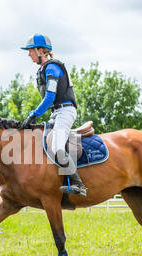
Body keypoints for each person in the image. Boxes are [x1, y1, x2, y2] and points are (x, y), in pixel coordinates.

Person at [20, 33, 87, 197]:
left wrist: (33, 115)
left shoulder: (52, 67)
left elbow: (50, 97)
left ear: (40, 50)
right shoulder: (43, 69)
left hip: (65, 111)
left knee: (57, 147)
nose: (29, 54)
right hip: (56, 113)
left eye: (30, 51)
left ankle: (79, 185)